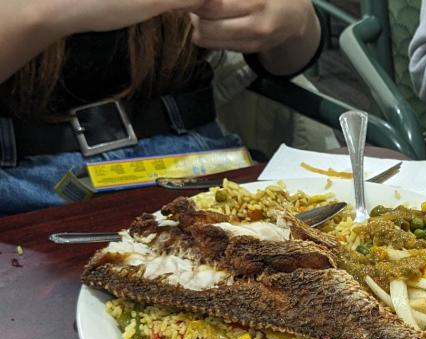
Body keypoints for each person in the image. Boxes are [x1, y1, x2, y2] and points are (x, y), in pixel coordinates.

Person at [0, 1, 323, 216]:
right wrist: (43, 14)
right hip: (22, 188)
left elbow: (289, 59)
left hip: (197, 161)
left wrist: (295, 18)